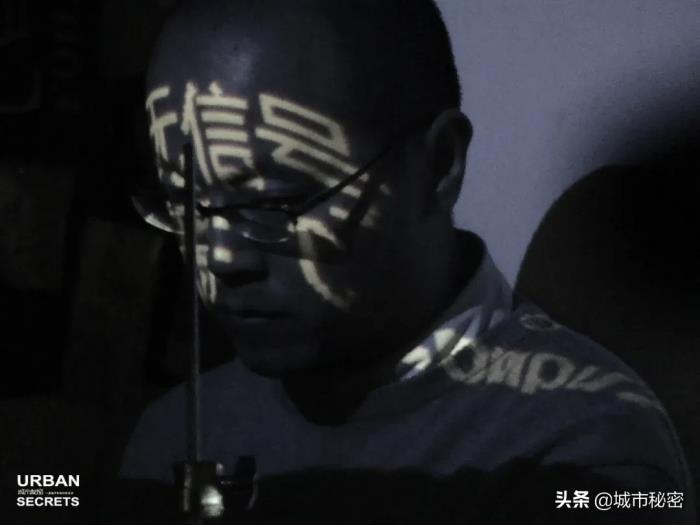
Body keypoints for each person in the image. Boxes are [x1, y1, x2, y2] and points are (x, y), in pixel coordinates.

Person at [120, 0, 696, 522]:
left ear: (438, 166)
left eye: (274, 203)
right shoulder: (175, 432)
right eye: (184, 205)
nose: (220, 256)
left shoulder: (579, 452)